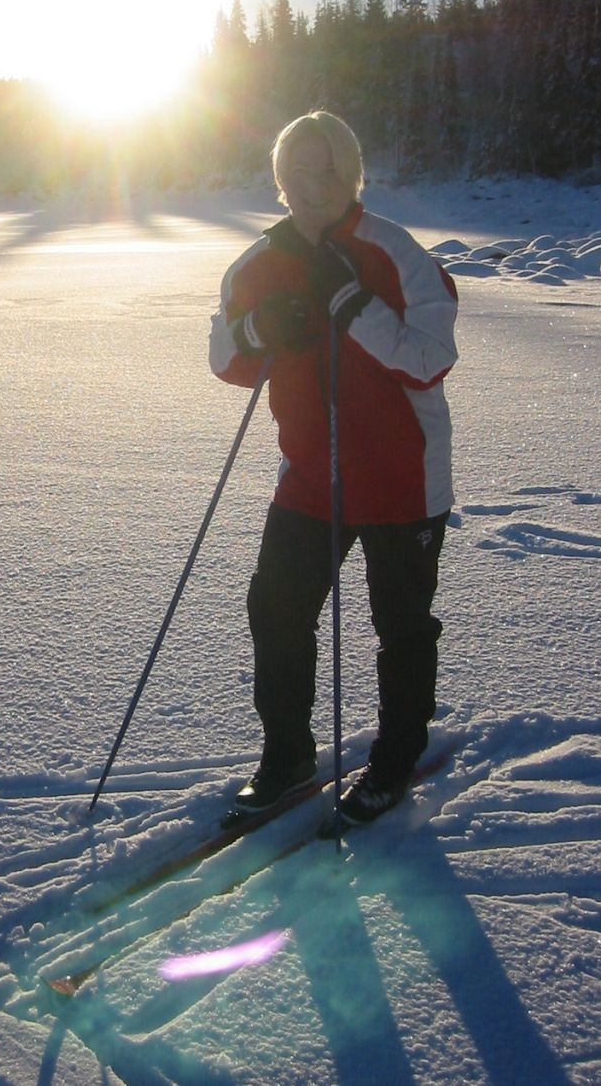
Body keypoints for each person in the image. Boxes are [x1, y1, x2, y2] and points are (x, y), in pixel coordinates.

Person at [209, 111, 458, 826]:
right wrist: (262, 329)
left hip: (403, 481)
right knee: (277, 611)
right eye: (299, 171)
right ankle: (288, 754)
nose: (313, 184)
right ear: (280, 180)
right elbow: (225, 358)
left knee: (401, 625)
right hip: (310, 478)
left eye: (329, 169)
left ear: (352, 176)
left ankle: (395, 756)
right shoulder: (258, 264)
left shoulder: (395, 254)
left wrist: (353, 305)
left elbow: (430, 358)